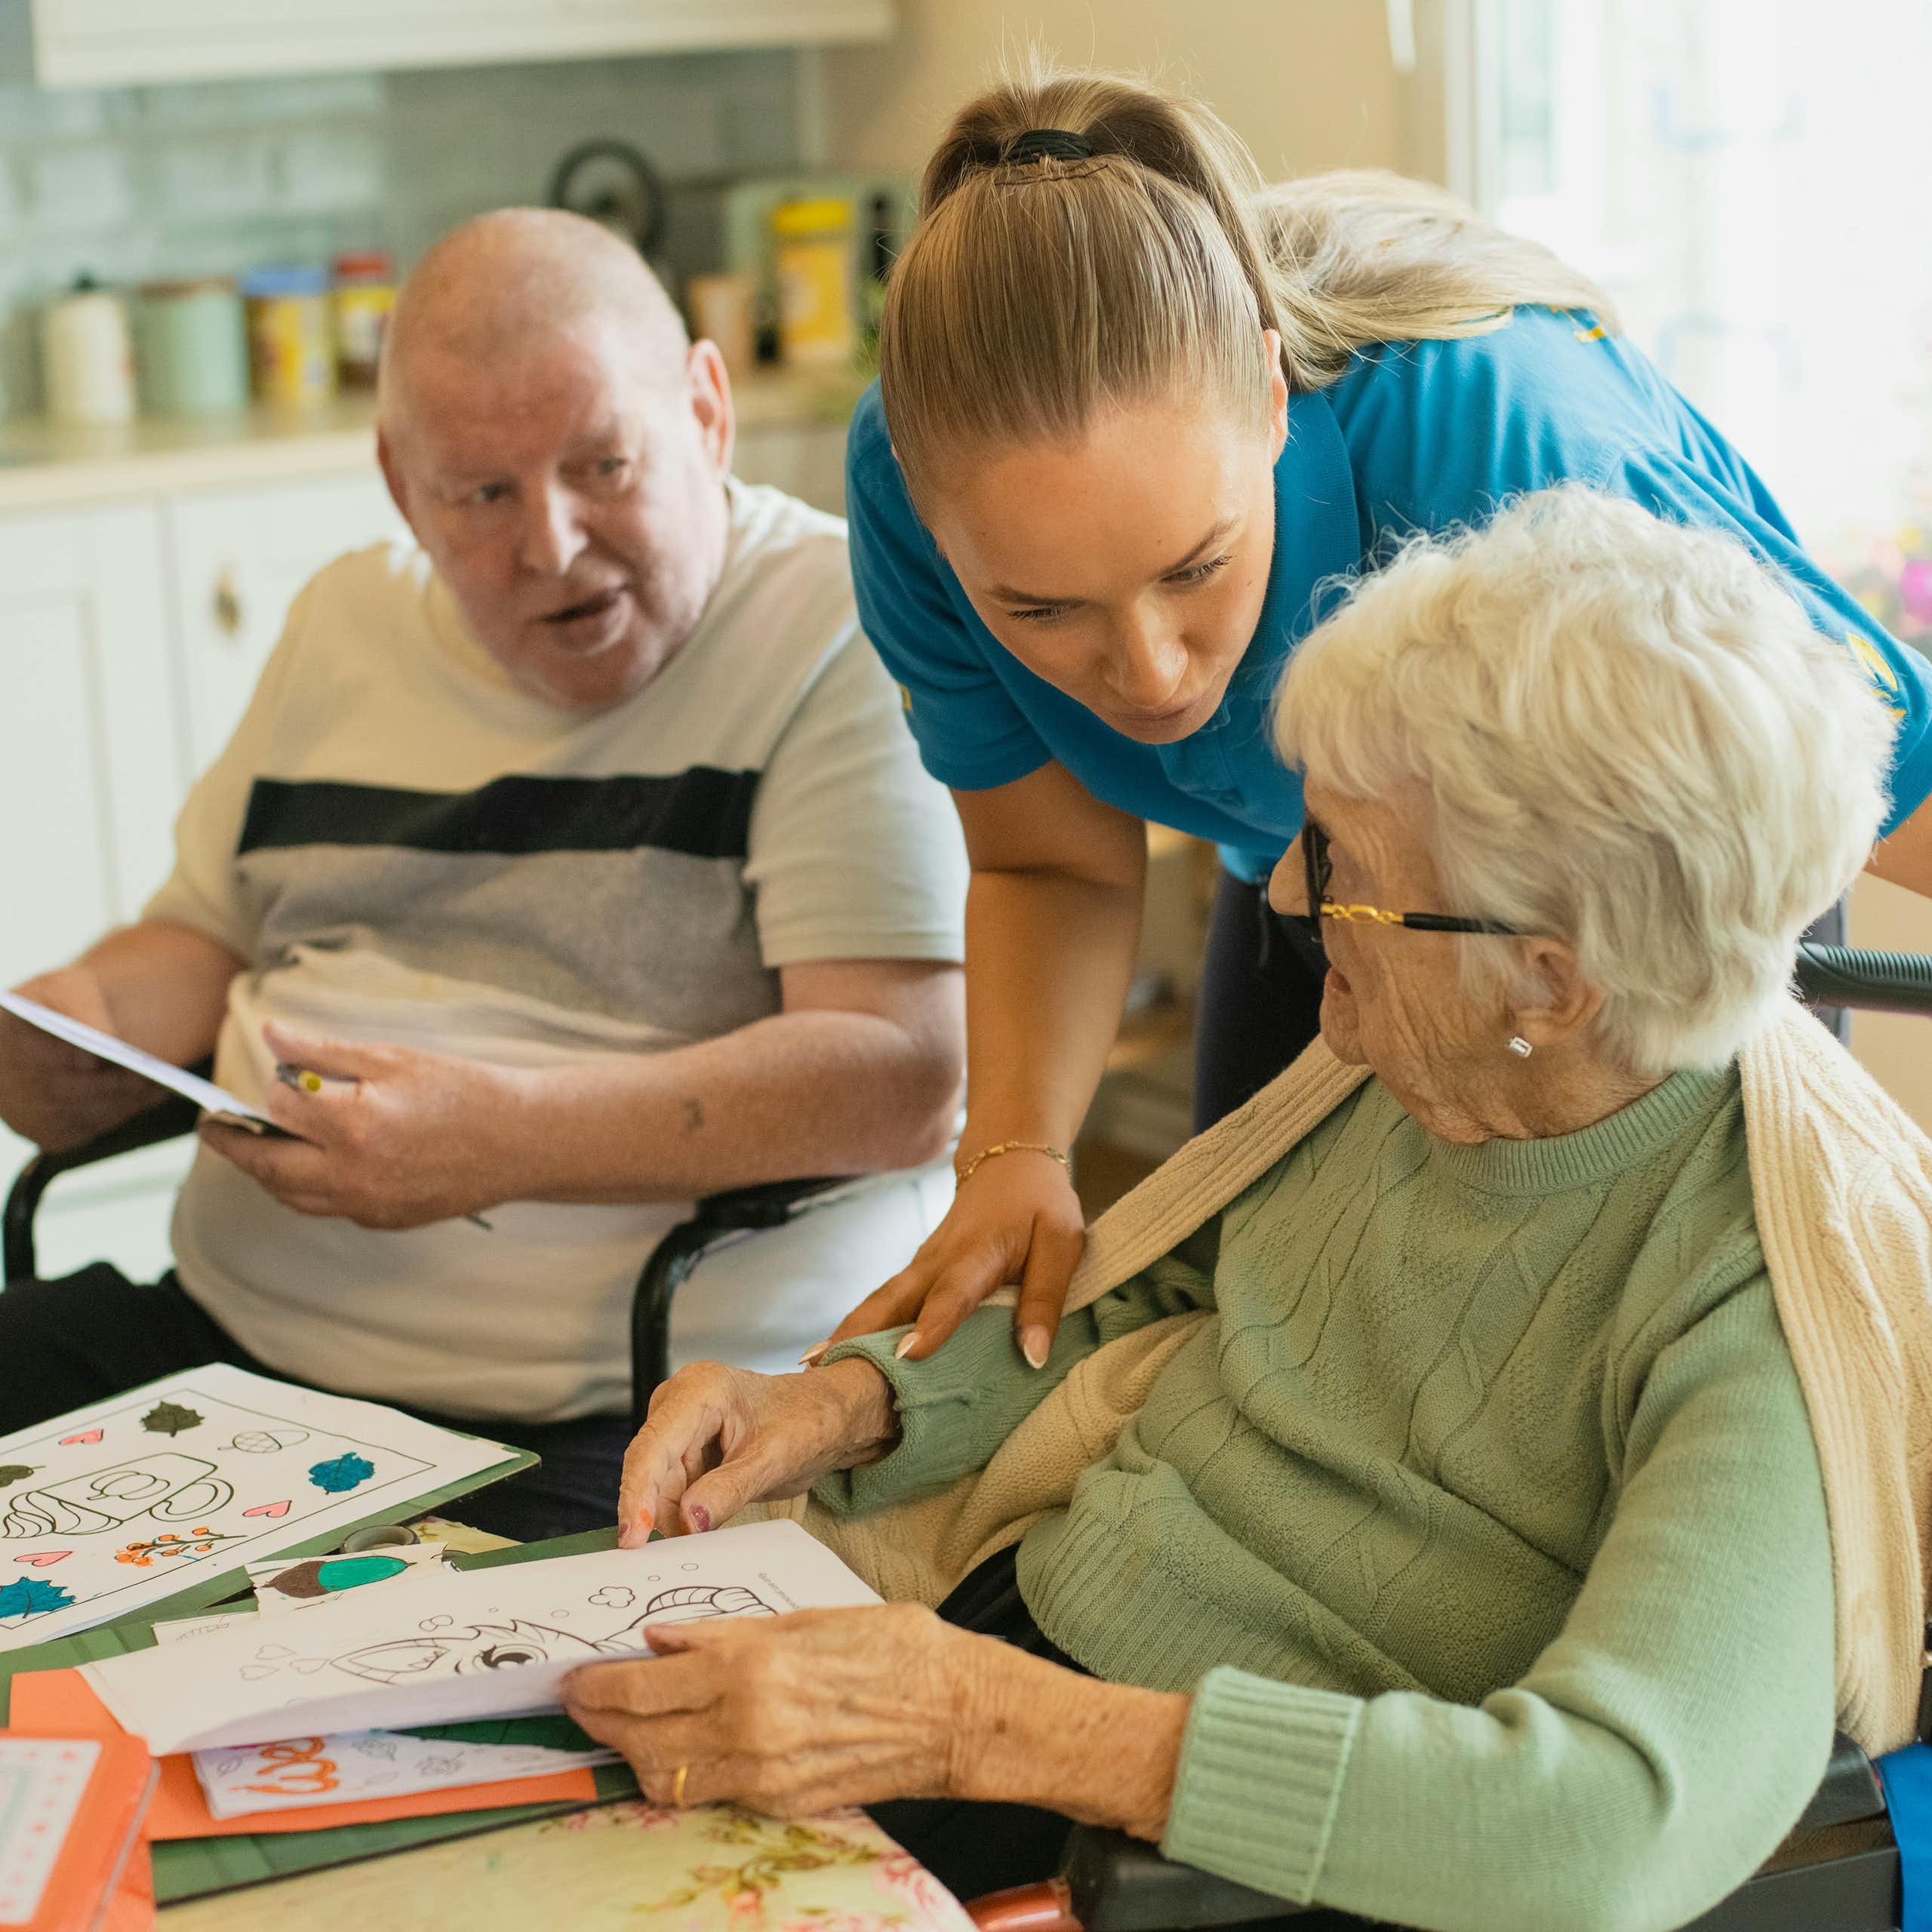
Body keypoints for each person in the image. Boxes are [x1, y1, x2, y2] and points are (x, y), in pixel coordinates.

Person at [561, 492, 1932, 1932]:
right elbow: (1166, 1292)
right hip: (1004, 1669)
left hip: (1183, 1856)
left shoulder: (1768, 1297)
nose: (1284, 892)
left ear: (1552, 979)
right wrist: (847, 1406)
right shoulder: (1420, 1068)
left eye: (1343, 867)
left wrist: (983, 1723)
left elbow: (1605, 1822)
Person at [825, 62, 1932, 1369]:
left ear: (1273, 384)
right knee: (1263, 1334)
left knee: (1649, 1375)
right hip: (1317, 867)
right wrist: (1013, 1155)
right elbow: (1048, 862)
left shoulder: (1520, 459)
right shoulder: (906, 488)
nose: (1154, 678)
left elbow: (1889, 790)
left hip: (1647, 897)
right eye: (1042, 610)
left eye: (1197, 568)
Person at [0, 210, 968, 1541]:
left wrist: (498, 1143)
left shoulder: (835, 622)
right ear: (403, 486)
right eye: (484, 494)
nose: (555, 544)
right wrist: (79, 1025)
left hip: (616, 1413)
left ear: (707, 411)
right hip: (220, 1349)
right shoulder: (344, 616)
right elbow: (202, 937)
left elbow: (906, 1074)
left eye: (605, 465)